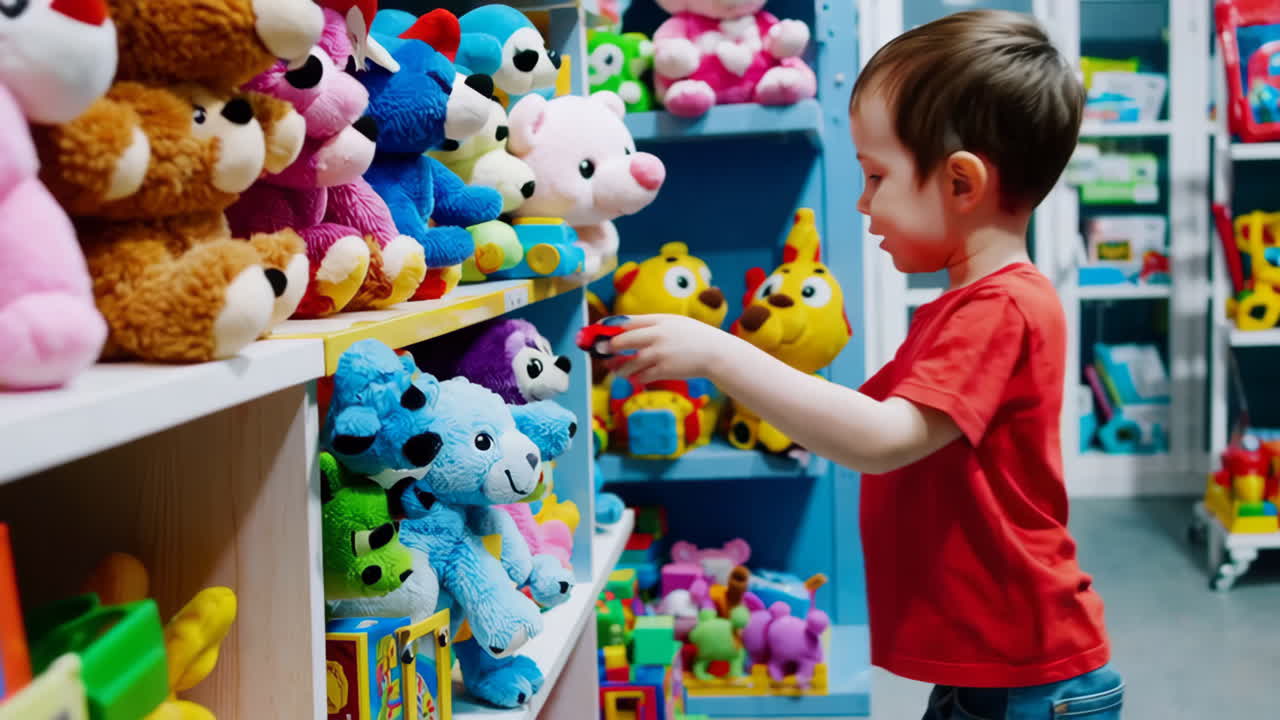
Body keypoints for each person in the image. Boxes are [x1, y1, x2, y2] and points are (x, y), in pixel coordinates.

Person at [605, 10, 1123, 720]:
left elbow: (881, 439)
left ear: (962, 184)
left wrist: (719, 354)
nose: (863, 202)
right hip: (995, 672)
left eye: (877, 176)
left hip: (1030, 680)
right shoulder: (970, 306)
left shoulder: (998, 309)